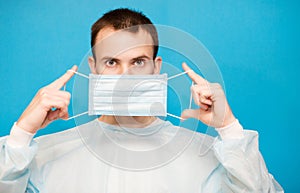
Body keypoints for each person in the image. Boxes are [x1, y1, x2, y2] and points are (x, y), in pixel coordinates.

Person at [0, 8, 283, 193]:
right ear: (93, 67)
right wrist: (20, 136)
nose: (125, 76)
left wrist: (229, 130)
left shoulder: (208, 155)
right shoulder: (44, 156)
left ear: (156, 67)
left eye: (138, 61)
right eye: (111, 62)